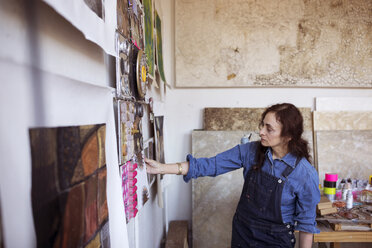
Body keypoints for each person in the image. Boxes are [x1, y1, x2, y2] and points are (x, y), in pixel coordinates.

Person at [145, 103, 320, 248]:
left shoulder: (305, 174)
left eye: (269, 129)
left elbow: (306, 225)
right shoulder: (251, 151)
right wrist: (161, 168)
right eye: (262, 125)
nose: (261, 132)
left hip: (275, 241)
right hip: (242, 234)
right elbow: (211, 165)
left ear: (288, 135)